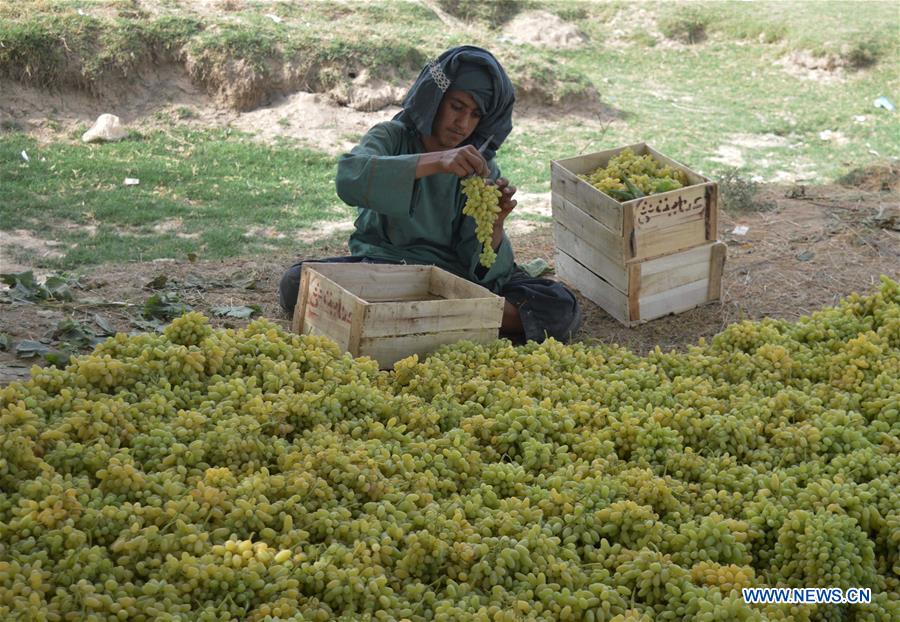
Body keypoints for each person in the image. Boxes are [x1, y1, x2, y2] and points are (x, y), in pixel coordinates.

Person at [279, 45, 582, 343]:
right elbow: (350, 177)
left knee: (558, 307)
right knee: (297, 282)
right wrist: (437, 162)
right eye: (457, 106)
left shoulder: (481, 166)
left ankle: (409, 321)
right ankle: (459, 321)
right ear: (435, 99)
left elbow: (484, 269)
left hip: (452, 280)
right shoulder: (392, 136)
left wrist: (495, 226)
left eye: (475, 114)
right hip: (384, 271)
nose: (462, 124)